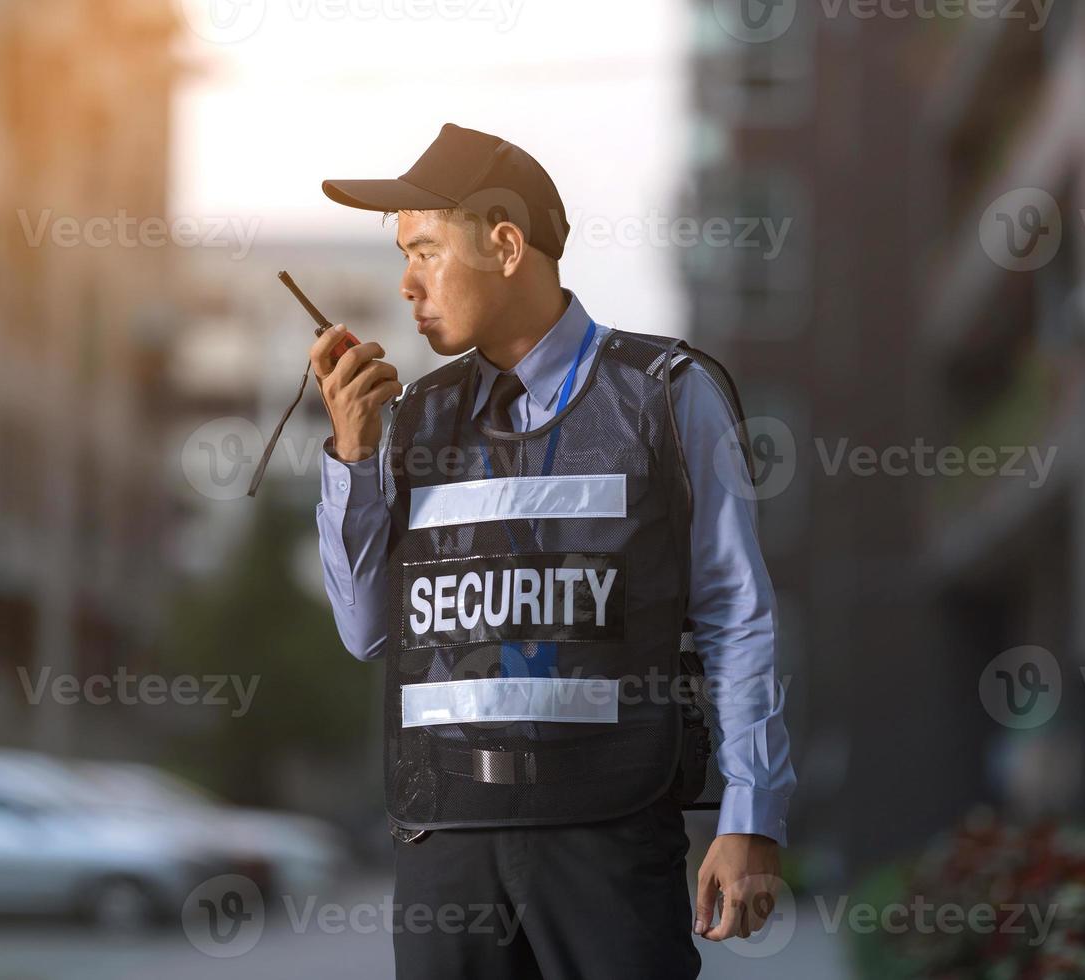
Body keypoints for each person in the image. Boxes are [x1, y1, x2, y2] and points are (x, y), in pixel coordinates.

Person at [310, 122, 796, 979]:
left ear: (505, 245)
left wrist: (751, 816)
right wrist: (351, 457)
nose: (406, 281)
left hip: (607, 829)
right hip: (445, 843)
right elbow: (366, 633)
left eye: (424, 249)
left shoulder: (666, 396)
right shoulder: (410, 419)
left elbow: (735, 611)